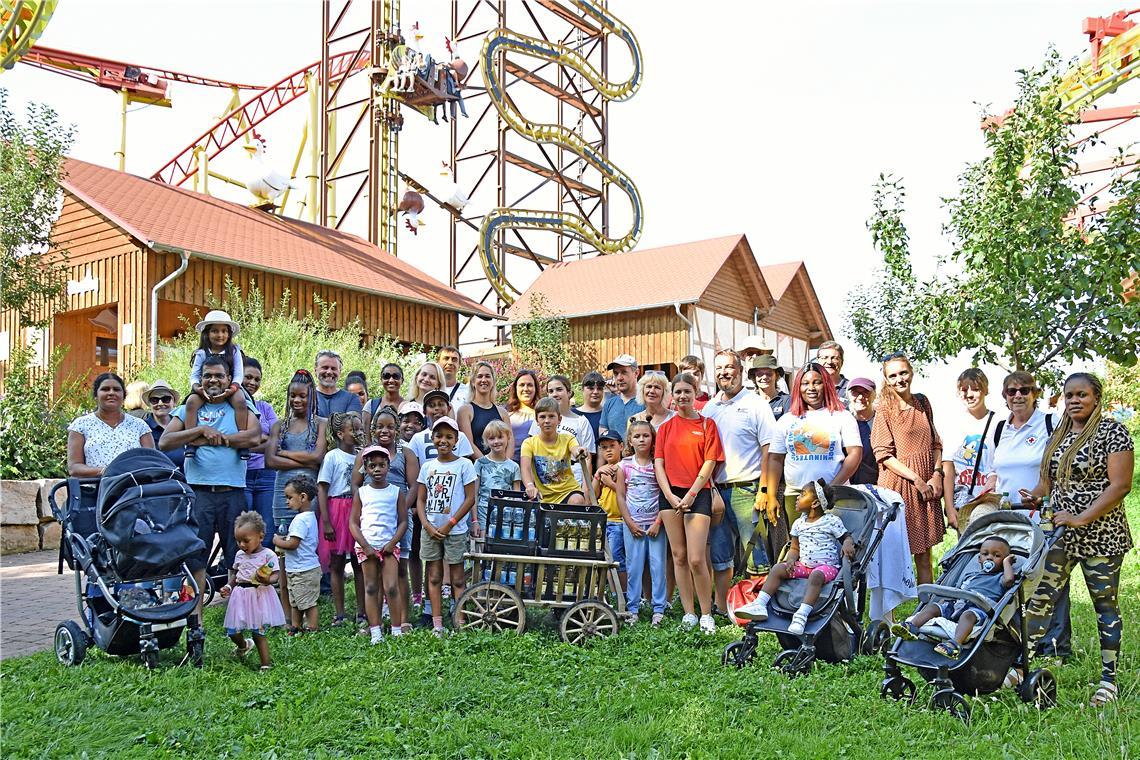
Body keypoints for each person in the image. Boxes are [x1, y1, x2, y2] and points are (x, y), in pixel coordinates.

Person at [1020, 373, 1134, 707]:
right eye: (1069, 395)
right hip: (1060, 530)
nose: (1074, 400)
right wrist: (1037, 495)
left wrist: (1082, 517)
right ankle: (1020, 666)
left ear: (1096, 397)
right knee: (1041, 597)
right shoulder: (1059, 432)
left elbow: (1121, 485)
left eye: (1081, 394)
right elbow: (1050, 479)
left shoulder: (1113, 432)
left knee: (1104, 604)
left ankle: (1108, 680)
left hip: (1102, 534)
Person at [160, 355, 261, 621]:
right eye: (207, 375)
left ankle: (236, 612)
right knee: (197, 554)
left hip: (232, 492)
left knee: (237, 553)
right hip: (199, 493)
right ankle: (196, 614)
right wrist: (201, 431)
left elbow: (255, 436)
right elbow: (166, 441)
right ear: (199, 379)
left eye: (218, 375)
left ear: (229, 379)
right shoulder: (190, 408)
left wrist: (221, 439)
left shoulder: (239, 407)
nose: (213, 380)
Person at [986, 371, 1069, 655]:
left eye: (1025, 390)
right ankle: (1016, 640)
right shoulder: (999, 429)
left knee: (1050, 577)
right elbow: (994, 472)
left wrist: (1039, 492)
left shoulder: (1050, 423)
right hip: (1010, 516)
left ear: (1035, 393)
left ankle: (1056, 645)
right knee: (1015, 577)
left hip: (1043, 513)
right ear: (1005, 396)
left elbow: (1061, 466)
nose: (1018, 395)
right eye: (1012, 391)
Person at [702, 350, 775, 613]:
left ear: (740, 371)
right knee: (720, 555)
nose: (724, 372)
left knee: (754, 553)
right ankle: (724, 608)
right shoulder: (710, 407)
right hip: (717, 492)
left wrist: (765, 490)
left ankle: (761, 607)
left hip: (747, 488)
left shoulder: (756, 404)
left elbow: (769, 448)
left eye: (729, 367)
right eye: (719, 367)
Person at [737, 480, 855, 635]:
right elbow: (794, 548)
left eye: (803, 494)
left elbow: (846, 537)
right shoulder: (798, 523)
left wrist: (847, 544)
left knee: (816, 575)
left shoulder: (831, 521)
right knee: (778, 568)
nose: (798, 497)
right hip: (804, 565)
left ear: (814, 503)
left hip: (827, 567)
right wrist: (791, 559)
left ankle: (801, 615)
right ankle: (760, 604)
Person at [655, 372, 724, 634]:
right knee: (679, 556)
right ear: (672, 395)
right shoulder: (665, 428)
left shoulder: (707, 425)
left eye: (687, 391)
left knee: (696, 559)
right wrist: (671, 496)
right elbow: (658, 464)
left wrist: (692, 494)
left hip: (698, 493)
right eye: (678, 391)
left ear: (696, 394)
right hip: (670, 495)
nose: (682, 396)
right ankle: (689, 613)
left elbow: (710, 462)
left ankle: (706, 613)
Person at [872, 354, 943, 586]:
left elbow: (935, 443)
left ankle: (926, 608)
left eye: (903, 373)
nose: (899, 379)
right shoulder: (884, 410)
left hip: (925, 483)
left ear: (911, 372)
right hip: (900, 485)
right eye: (893, 375)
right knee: (895, 556)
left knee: (924, 556)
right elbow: (883, 454)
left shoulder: (922, 402)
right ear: (886, 379)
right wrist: (916, 479)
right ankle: (891, 613)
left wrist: (936, 475)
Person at [764, 363, 862, 533]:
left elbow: (855, 453)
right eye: (805, 383)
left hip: (835, 494)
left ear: (826, 384)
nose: (811, 388)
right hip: (797, 496)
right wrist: (771, 495)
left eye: (817, 382)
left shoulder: (842, 416)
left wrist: (830, 488)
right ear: (798, 387)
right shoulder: (787, 420)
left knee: (834, 549)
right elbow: (775, 459)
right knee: (800, 549)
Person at [891, 535, 1016, 659]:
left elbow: (1009, 580)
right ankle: (911, 626)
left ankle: (955, 644)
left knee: (967, 615)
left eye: (997, 555)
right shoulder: (972, 575)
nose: (989, 557)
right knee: (934, 607)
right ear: (979, 558)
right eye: (985, 554)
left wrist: (1007, 563)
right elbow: (959, 591)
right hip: (958, 604)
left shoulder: (1000, 578)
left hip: (978, 610)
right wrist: (946, 600)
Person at [265, 370, 328, 614]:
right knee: (283, 550)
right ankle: (285, 609)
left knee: (305, 544)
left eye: (302, 396)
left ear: (311, 396)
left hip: (307, 496)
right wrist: (304, 461)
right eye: (293, 396)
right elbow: (270, 460)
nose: (297, 400)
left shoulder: (320, 424)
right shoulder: (279, 426)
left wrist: (286, 454)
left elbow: (318, 457)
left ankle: (308, 601)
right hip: (282, 493)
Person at [354, 406, 415, 632]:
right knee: (372, 583)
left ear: (397, 428)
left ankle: (403, 621)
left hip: (397, 517)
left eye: (390, 426)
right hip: (371, 521)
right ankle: (374, 625)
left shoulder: (405, 453)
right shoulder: (366, 454)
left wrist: (401, 508)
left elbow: (415, 484)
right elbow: (356, 483)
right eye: (380, 426)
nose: (385, 430)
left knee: (399, 573)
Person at [415, 416, 477, 636]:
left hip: (455, 531)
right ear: (432, 438)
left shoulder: (464, 465)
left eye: (449, 437)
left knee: (458, 578)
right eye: (439, 436)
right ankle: (437, 624)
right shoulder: (427, 466)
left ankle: (459, 622)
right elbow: (420, 499)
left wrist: (451, 523)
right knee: (433, 576)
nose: (443, 440)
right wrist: (427, 525)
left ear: (456, 440)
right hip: (430, 530)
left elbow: (470, 498)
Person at [352, 444, 409, 643]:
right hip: (366, 546)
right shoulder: (362, 492)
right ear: (366, 469)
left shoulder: (396, 492)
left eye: (381, 465)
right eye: (372, 466)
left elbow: (403, 521)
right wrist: (365, 546)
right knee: (371, 588)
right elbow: (353, 523)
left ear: (388, 466)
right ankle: (375, 631)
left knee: (392, 587)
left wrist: (393, 543)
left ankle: (395, 629)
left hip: (389, 547)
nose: (377, 470)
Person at [615, 419, 668, 627]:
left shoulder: (658, 463)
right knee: (634, 566)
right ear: (630, 439)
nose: (641, 439)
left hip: (655, 525)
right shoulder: (624, 465)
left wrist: (658, 522)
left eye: (646, 435)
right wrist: (628, 522)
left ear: (653, 438)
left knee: (657, 565)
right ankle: (633, 608)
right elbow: (620, 495)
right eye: (637, 436)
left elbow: (665, 494)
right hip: (633, 526)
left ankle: (659, 608)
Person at [220, 510, 286, 670]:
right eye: (238, 541)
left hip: (259, 596)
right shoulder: (239, 555)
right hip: (240, 596)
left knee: (258, 632)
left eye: (246, 541)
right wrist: (229, 586)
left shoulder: (268, 555)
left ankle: (265, 664)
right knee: (232, 631)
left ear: (261, 537)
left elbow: (275, 576)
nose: (242, 545)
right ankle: (243, 645)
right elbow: (237, 575)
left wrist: (266, 580)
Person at [318, 412, 365, 627]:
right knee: (337, 562)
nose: (357, 433)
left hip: (356, 507)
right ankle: (339, 612)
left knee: (359, 561)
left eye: (359, 429)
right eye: (353, 429)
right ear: (340, 433)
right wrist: (326, 521)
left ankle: (362, 611)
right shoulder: (332, 456)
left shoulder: (362, 455)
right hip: (337, 508)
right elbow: (323, 488)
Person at [184, 310, 248, 458]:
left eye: (224, 331)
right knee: (191, 402)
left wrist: (232, 389)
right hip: (206, 389)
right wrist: (198, 389)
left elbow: (238, 374)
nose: (220, 335)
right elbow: (194, 376)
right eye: (215, 331)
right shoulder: (201, 353)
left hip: (230, 388)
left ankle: (242, 440)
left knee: (240, 400)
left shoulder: (234, 350)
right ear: (207, 333)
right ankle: (191, 441)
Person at [67, 372, 155, 477]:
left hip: (133, 488)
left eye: (117, 389)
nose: (111, 393)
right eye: (105, 389)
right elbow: (74, 467)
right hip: (94, 488)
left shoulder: (140, 426)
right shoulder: (81, 425)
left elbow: (151, 462)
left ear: (124, 396)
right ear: (96, 395)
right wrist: (107, 471)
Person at [940, 369, 997, 530]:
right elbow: (949, 469)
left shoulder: (999, 422)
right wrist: (950, 508)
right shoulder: (954, 424)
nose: (969, 394)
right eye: (964, 390)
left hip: (990, 501)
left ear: (985, 390)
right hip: (964, 503)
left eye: (975, 389)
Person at [271, 476, 321, 634]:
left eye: (289, 497)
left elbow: (293, 544)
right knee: (296, 600)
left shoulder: (300, 520)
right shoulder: (309, 517)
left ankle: (312, 628)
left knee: (308, 602)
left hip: (304, 570)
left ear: (303, 497)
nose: (287, 502)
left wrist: (278, 541)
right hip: (298, 568)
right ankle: (296, 626)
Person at [522, 397, 589, 504]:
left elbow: (575, 449)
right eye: (542, 417)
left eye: (551, 416)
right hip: (544, 496)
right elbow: (525, 468)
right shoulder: (529, 443)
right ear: (537, 421)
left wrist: (579, 451)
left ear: (559, 419)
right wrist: (530, 485)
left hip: (568, 491)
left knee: (577, 500)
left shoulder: (568, 439)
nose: (547, 421)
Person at [533, 374, 596, 486]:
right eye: (550, 391)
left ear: (569, 392)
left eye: (559, 389)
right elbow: (532, 453)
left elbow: (588, 459)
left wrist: (586, 491)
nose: (555, 394)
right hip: (545, 479)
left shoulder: (581, 421)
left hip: (574, 478)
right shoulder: (540, 419)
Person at [242, 358, 279, 548]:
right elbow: (232, 441)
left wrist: (248, 443)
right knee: (244, 530)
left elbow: (278, 440)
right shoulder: (232, 408)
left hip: (266, 474)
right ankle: (244, 575)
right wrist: (263, 440)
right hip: (241, 474)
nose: (252, 383)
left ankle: (267, 575)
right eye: (248, 377)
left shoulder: (265, 407)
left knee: (268, 529)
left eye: (257, 379)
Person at [472, 420, 522, 536]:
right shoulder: (480, 463)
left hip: (506, 513)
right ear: (486, 441)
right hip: (483, 511)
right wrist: (474, 520)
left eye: (500, 437)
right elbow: (474, 494)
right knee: (483, 544)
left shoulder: (514, 466)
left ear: (508, 437)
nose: (496, 441)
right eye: (491, 438)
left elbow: (517, 495)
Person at [594, 429, 627, 590]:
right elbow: (593, 497)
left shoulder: (626, 467)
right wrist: (598, 475)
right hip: (604, 520)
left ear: (621, 446)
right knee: (606, 560)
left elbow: (628, 494)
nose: (608, 450)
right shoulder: (603, 470)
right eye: (604, 447)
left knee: (616, 559)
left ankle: (623, 593)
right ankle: (613, 594)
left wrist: (610, 483)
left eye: (612, 446)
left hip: (618, 521)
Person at [458, 360, 509, 456]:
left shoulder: (503, 412)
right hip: (476, 467)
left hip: (502, 468)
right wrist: (486, 465)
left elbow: (510, 442)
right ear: (473, 382)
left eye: (487, 376)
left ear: (493, 381)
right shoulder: (465, 411)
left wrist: (505, 464)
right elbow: (468, 443)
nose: (484, 380)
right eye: (480, 376)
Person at [142, 380, 184, 469]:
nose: (160, 403)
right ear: (149, 404)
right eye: (155, 400)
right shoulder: (142, 428)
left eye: (166, 399)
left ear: (174, 402)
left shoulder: (184, 425)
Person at [600, 354, 645, 437]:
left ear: (636, 373)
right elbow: (603, 435)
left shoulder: (646, 401)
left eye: (624, 372)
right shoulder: (609, 404)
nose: (619, 378)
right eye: (616, 373)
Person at [848, 377, 879, 486]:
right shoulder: (844, 422)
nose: (860, 397)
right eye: (855, 392)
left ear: (874, 395)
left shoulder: (882, 422)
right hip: (847, 487)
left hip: (876, 486)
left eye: (866, 392)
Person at [314, 350, 363, 417]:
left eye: (333, 368)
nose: (329, 372)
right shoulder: (307, 397)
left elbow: (350, 424)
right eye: (325, 367)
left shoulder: (352, 399)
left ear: (340, 372)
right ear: (315, 370)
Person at [507, 369, 540, 461]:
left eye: (530, 385)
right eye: (522, 385)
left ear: (535, 388)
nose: (526, 389)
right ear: (516, 388)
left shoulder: (543, 414)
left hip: (537, 466)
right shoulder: (506, 413)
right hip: (512, 465)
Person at [363, 363, 405, 432]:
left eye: (396, 376)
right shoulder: (371, 405)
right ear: (381, 380)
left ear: (402, 380)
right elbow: (366, 436)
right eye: (386, 376)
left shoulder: (408, 406)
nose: (391, 380)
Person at [748, 355, 790, 420]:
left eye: (769, 374)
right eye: (759, 374)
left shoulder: (787, 401)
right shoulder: (749, 402)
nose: (764, 377)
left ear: (776, 376)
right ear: (754, 377)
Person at [574, 370, 607, 443]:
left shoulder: (607, 413)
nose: (595, 392)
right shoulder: (572, 414)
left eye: (599, 388)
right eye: (591, 388)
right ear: (582, 389)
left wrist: (616, 392)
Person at [815, 340, 849, 406]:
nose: (829, 362)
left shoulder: (851, 388)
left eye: (834, 358)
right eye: (824, 358)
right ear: (818, 361)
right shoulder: (811, 388)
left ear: (841, 361)